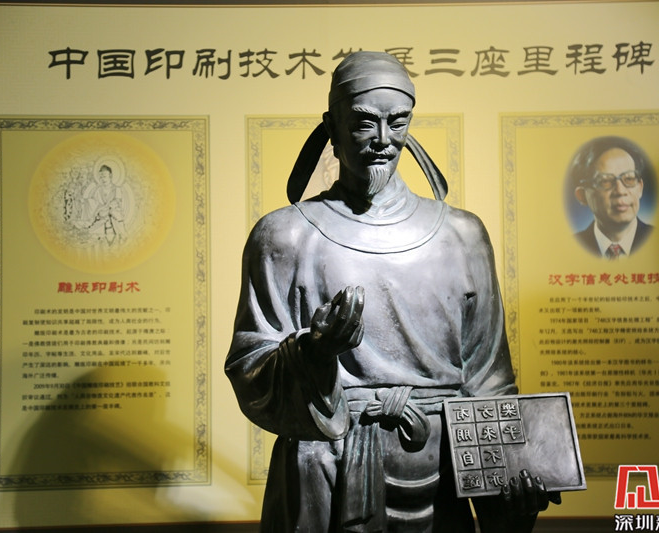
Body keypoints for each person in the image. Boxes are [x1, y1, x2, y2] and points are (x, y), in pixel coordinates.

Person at [225, 51, 556, 532]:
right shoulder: (284, 236)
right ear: (332, 127)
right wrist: (315, 352)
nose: (383, 139)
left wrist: (507, 491)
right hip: (328, 470)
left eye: (397, 121)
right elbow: (250, 367)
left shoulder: (460, 235)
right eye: (364, 122)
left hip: (441, 468)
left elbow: (488, 382)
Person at [570, 136, 654, 259]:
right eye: (605, 181)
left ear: (640, 188)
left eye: (629, 179)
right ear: (582, 196)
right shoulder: (568, 248)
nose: (620, 191)